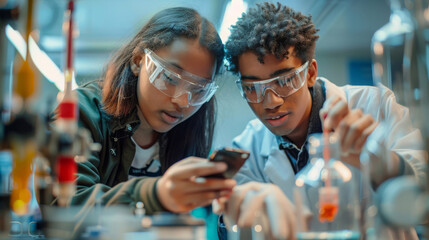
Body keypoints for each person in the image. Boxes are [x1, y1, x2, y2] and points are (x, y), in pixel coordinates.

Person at [214, 2, 426, 240]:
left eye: (284, 81)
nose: (270, 102)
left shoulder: (376, 107)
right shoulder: (247, 149)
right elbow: (235, 228)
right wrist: (239, 214)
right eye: (252, 88)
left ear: (310, 73)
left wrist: (386, 167)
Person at [57, 7, 236, 215]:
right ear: (138, 60)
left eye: (198, 90)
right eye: (169, 78)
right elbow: (65, 207)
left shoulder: (187, 132)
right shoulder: (81, 112)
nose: (182, 102)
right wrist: (156, 195)